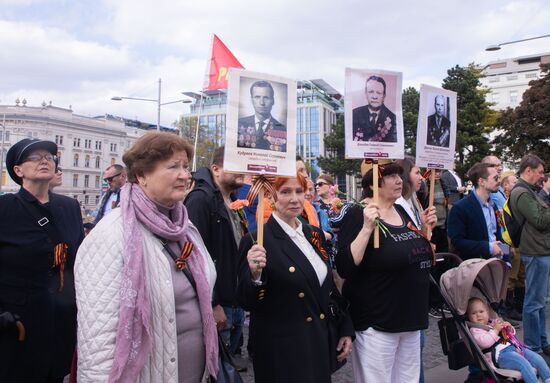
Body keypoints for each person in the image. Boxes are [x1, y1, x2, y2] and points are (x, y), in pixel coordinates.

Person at [74, 132, 218, 382]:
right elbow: (97, 339)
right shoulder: (111, 234)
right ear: (141, 176)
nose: (185, 175)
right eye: (173, 167)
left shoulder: (186, 228)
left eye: (186, 166)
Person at [237, 174, 354, 383]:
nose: (295, 199)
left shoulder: (313, 234)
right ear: (271, 198)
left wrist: (344, 327)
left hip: (316, 342)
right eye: (285, 192)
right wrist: (255, 275)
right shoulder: (256, 241)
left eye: (299, 191)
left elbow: (327, 289)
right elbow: (246, 300)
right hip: (282, 351)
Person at [336, 163, 437, 382]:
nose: (399, 180)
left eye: (399, 175)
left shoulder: (401, 210)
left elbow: (417, 255)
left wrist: (428, 232)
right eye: (390, 176)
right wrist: (366, 229)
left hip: (410, 320)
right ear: (373, 184)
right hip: (378, 323)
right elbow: (344, 266)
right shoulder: (358, 215)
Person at [0, 138, 84, 383]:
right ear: (18, 171)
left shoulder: (69, 207)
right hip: (18, 326)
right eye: (35, 157)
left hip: (62, 322)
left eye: (49, 157)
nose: (45, 161)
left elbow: (80, 260)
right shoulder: (5, 209)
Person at [184, 147, 247, 360]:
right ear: (216, 169)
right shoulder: (200, 200)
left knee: (229, 363)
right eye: (235, 165)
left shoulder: (234, 201)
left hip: (235, 300)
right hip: (219, 303)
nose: (242, 170)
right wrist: (213, 302)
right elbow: (194, 257)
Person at [509, 154, 550, 356]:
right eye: (540, 172)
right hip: (535, 251)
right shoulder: (522, 193)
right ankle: (534, 346)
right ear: (528, 171)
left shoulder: (528, 191)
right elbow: (539, 220)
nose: (542, 176)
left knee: (539, 301)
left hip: (539, 249)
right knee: (534, 302)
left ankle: (541, 342)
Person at [467, 297, 550, 383]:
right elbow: (484, 343)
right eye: (474, 313)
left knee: (537, 358)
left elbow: (509, 336)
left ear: (487, 313)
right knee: (523, 364)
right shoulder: (475, 330)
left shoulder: (492, 323)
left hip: (514, 348)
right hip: (499, 356)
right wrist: (495, 331)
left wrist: (509, 328)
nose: (478, 315)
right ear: (468, 317)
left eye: (481, 311)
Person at [447, 163, 504, 260]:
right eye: (495, 178)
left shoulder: (493, 205)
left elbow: (497, 235)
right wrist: (488, 247)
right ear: (481, 181)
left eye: (499, 177)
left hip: (497, 264)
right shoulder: (460, 208)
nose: (499, 181)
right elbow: (457, 242)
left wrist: (507, 261)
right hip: (475, 267)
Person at [238, 80, 287, 152]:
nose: (262, 102)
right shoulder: (240, 124)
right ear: (251, 100)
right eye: (257, 97)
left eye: (266, 97)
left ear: (273, 101)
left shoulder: (282, 129)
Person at [352, 75, 397, 142]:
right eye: (371, 92)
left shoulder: (393, 118)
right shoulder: (354, 114)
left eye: (378, 93)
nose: (374, 96)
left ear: (384, 96)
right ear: (366, 93)